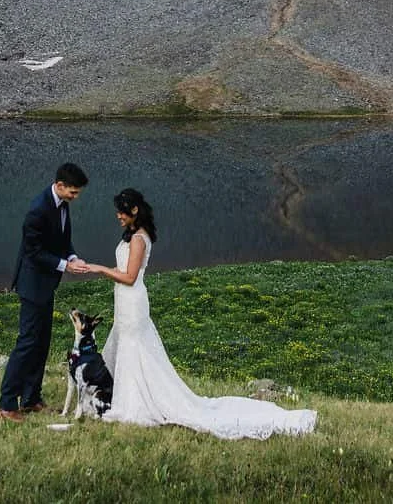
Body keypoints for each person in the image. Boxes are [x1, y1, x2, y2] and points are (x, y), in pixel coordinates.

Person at [73, 187, 317, 439]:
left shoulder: (138, 239)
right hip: (123, 304)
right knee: (126, 348)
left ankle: (135, 403)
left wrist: (98, 269)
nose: (118, 216)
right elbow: (123, 268)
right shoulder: (132, 236)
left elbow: (130, 277)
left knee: (135, 350)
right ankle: (121, 395)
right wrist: (91, 267)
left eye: (121, 212)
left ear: (134, 210)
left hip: (132, 302)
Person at [0, 162, 88, 419]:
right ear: (60, 186)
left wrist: (72, 255)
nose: (75, 197)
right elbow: (32, 251)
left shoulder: (61, 204)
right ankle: (6, 404)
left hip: (46, 284)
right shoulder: (37, 210)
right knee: (27, 343)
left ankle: (30, 398)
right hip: (32, 284)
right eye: (73, 192)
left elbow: (62, 238)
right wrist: (65, 265)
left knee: (42, 342)